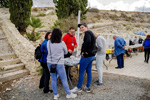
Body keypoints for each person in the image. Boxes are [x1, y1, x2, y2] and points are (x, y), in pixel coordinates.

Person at [47, 28, 77, 99]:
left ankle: (55, 95)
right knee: (64, 79)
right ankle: (68, 94)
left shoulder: (49, 42)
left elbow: (49, 51)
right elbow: (66, 52)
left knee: (53, 79)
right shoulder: (62, 43)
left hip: (50, 63)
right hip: (59, 63)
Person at [71, 22, 96, 93]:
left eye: (82, 27)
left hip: (87, 56)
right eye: (80, 28)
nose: (81, 29)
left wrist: (84, 51)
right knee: (88, 71)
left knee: (81, 71)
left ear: (86, 27)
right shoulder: (91, 33)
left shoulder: (87, 33)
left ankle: (78, 87)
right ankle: (88, 87)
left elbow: (87, 42)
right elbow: (92, 44)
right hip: (91, 56)